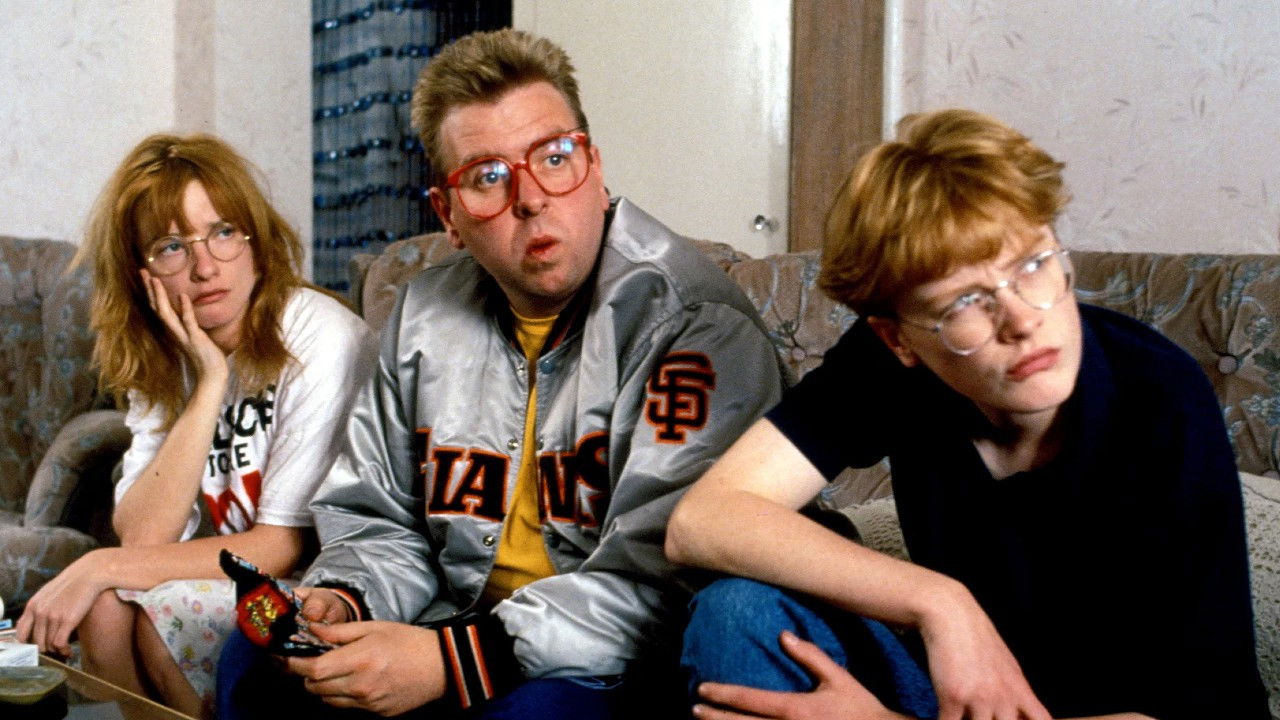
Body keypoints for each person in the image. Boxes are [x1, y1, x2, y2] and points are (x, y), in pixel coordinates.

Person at [216, 28, 785, 720]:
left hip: (610, 663)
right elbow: (378, 517)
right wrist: (346, 598)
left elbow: (668, 580)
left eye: (554, 157)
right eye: (487, 176)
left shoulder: (693, 326)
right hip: (456, 625)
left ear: (595, 165)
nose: (531, 198)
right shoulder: (422, 317)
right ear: (448, 215)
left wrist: (455, 661)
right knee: (253, 662)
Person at [666, 108, 1271, 720]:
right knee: (737, 612)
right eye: (964, 304)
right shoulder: (886, 363)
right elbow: (702, 521)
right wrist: (940, 603)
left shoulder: (1159, 396)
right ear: (899, 339)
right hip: (958, 700)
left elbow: (1201, 715)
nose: (1023, 321)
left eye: (1033, 265)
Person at [16, 133, 376, 718]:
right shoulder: (170, 350)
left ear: (256, 241)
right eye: (172, 247)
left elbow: (281, 547)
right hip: (234, 577)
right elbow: (143, 536)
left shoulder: (319, 336)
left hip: (325, 588)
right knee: (106, 609)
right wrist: (209, 383)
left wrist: (97, 564)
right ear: (142, 275)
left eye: (224, 232)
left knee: (152, 611)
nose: (206, 267)